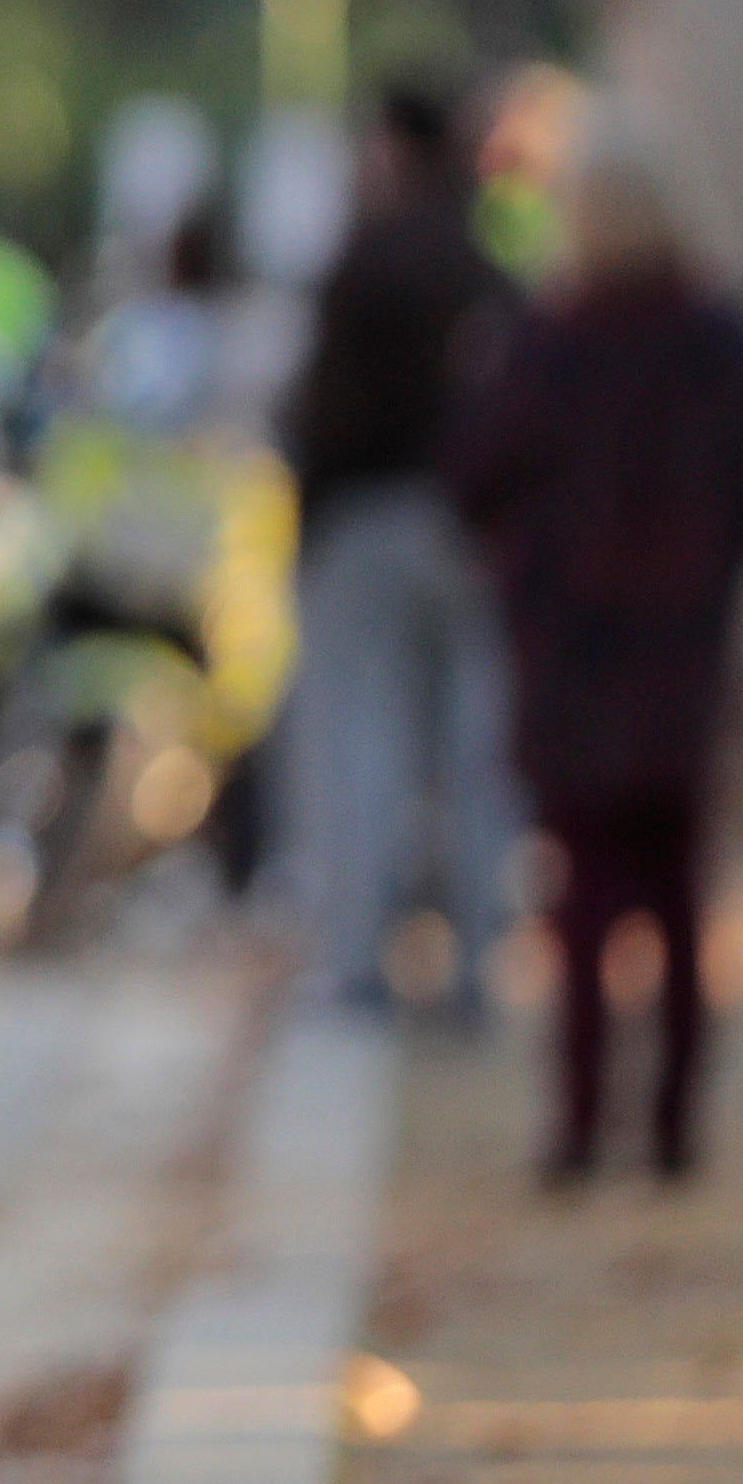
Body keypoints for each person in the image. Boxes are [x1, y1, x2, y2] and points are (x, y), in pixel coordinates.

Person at [445, 115, 743, 1186]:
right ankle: (673, 1122)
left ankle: (580, 1122)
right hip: (679, 652)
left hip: (572, 654)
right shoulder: (717, 340)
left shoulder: (546, 343)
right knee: (678, 890)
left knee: (581, 898)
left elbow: (473, 477)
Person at [280, 77, 516, 1017]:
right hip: (462, 528)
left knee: (356, 743)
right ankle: (471, 962)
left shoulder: (371, 255)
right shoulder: (479, 258)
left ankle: (355, 958)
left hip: (369, 518)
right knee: (472, 747)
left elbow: (323, 410)